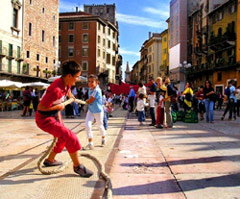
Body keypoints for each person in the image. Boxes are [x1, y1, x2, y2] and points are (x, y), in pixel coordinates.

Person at [35, 61, 93, 178]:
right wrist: (59, 106)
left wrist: (71, 96)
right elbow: (41, 107)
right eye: (76, 77)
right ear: (69, 76)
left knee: (62, 138)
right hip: (44, 118)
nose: (77, 79)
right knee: (70, 136)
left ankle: (50, 160)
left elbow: (68, 90)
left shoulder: (66, 83)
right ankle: (78, 167)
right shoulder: (55, 89)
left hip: (55, 114)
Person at [84, 74, 106, 150]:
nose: (90, 83)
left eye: (92, 82)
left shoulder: (97, 90)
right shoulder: (89, 90)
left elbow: (90, 100)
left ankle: (103, 137)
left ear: (97, 82)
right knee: (87, 125)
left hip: (98, 111)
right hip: (91, 110)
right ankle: (90, 143)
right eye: (89, 81)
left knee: (100, 126)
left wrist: (86, 101)